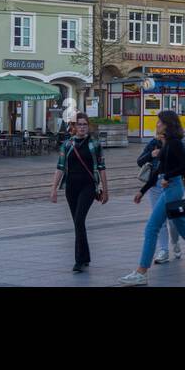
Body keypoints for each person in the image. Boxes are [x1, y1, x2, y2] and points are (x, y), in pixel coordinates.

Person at [119, 110, 185, 284]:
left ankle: (141, 272)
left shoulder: (175, 144)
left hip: (173, 189)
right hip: (170, 187)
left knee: (151, 228)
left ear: (167, 124)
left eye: (159, 122)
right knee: (183, 228)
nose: (156, 124)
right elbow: (158, 171)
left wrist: (167, 176)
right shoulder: (166, 144)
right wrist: (143, 190)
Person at [51, 113, 109, 272]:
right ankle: (85, 256)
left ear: (88, 126)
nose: (82, 127)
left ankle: (78, 261)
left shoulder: (95, 144)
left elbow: (102, 168)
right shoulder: (67, 144)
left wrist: (106, 190)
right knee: (78, 223)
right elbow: (60, 167)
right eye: (79, 124)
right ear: (74, 127)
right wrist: (53, 189)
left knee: (78, 220)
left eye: (85, 124)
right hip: (71, 188)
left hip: (88, 187)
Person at [136, 128, 181, 263]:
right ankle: (163, 250)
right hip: (155, 186)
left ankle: (175, 241)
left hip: (172, 185)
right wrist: (152, 154)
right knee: (159, 220)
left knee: (174, 221)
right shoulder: (153, 144)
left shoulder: (177, 144)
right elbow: (139, 161)